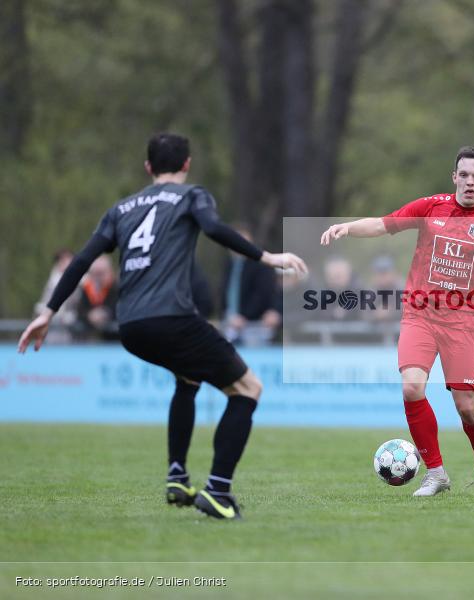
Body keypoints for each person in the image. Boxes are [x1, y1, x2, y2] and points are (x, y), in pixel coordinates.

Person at [17, 133, 307, 520]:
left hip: (130, 327)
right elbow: (213, 228)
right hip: (172, 319)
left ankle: (177, 476)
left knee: (188, 377)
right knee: (248, 388)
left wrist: (49, 311)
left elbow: (83, 258)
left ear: (148, 167)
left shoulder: (120, 208)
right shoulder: (192, 196)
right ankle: (218, 491)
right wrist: (267, 257)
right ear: (187, 164)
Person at [320, 145, 474, 497]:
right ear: (454, 177)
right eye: (464, 174)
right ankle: (436, 473)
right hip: (420, 315)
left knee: (466, 407)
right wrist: (347, 227)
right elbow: (382, 224)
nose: (470, 182)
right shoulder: (431, 207)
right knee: (412, 387)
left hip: (462, 323)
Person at [220, 224, 282, 344]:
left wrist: (244, 316)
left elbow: (263, 293)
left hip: (254, 326)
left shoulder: (260, 265)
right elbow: (224, 293)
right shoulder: (229, 264)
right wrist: (228, 315)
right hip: (231, 324)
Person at [72, 255, 119, 341]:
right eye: (94, 274)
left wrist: (106, 313)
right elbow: (79, 310)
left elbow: (122, 308)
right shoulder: (86, 288)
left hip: (115, 339)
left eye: (101, 273)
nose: (97, 278)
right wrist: (89, 315)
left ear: (110, 271)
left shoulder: (117, 287)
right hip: (90, 339)